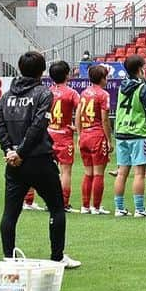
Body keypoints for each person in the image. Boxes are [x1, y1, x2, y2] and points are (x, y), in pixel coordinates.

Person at [0, 52, 80, 268]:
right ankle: (57, 256)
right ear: (41, 71)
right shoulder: (43, 93)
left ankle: (8, 257)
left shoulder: (7, 96)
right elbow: (38, 127)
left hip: (14, 162)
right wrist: (21, 152)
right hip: (38, 159)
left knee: (10, 213)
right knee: (56, 207)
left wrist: (9, 150)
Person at [112, 54, 146, 218]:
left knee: (121, 172)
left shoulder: (121, 87)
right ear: (140, 69)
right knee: (139, 173)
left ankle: (119, 208)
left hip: (121, 132)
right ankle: (139, 209)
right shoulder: (143, 88)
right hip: (138, 133)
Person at [46, 61, 80, 213]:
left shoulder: (47, 92)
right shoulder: (72, 93)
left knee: (48, 170)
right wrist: (76, 127)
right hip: (64, 135)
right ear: (67, 75)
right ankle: (63, 203)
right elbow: (81, 110)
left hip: (48, 134)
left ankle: (48, 202)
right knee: (65, 171)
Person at [77, 65, 112, 215]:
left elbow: (77, 115)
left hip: (85, 134)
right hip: (97, 136)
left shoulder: (84, 93)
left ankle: (85, 206)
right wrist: (109, 140)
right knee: (98, 173)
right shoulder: (103, 95)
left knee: (88, 173)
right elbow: (104, 120)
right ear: (103, 78)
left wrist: (79, 134)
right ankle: (96, 207)